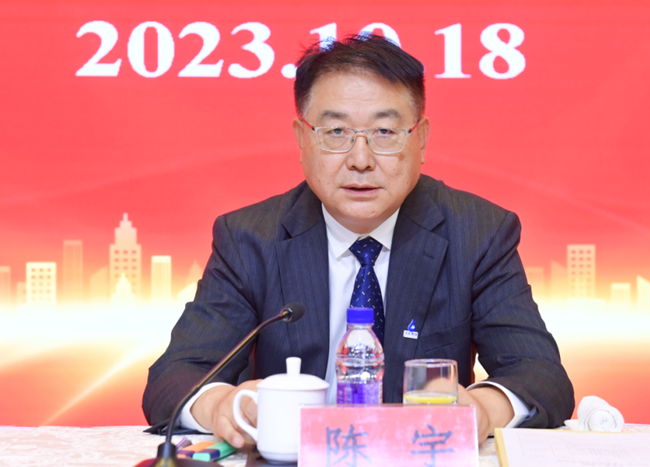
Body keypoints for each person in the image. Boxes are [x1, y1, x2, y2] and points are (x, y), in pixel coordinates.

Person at [143, 34, 574, 447]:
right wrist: (223, 405)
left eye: (385, 132)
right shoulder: (250, 238)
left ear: (421, 139)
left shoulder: (478, 232)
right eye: (336, 132)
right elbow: (174, 378)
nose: (361, 160)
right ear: (302, 140)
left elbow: (541, 376)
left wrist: (481, 409)